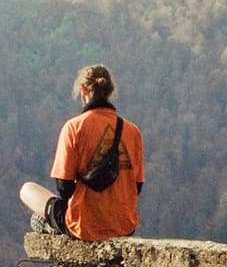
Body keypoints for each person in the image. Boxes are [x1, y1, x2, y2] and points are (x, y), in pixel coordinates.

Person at [20, 64, 144, 241]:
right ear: (111, 91)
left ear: (83, 90)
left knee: (27, 190)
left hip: (84, 225)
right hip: (124, 225)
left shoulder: (74, 127)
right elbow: (136, 187)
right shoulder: (133, 132)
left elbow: (64, 187)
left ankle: (51, 224)